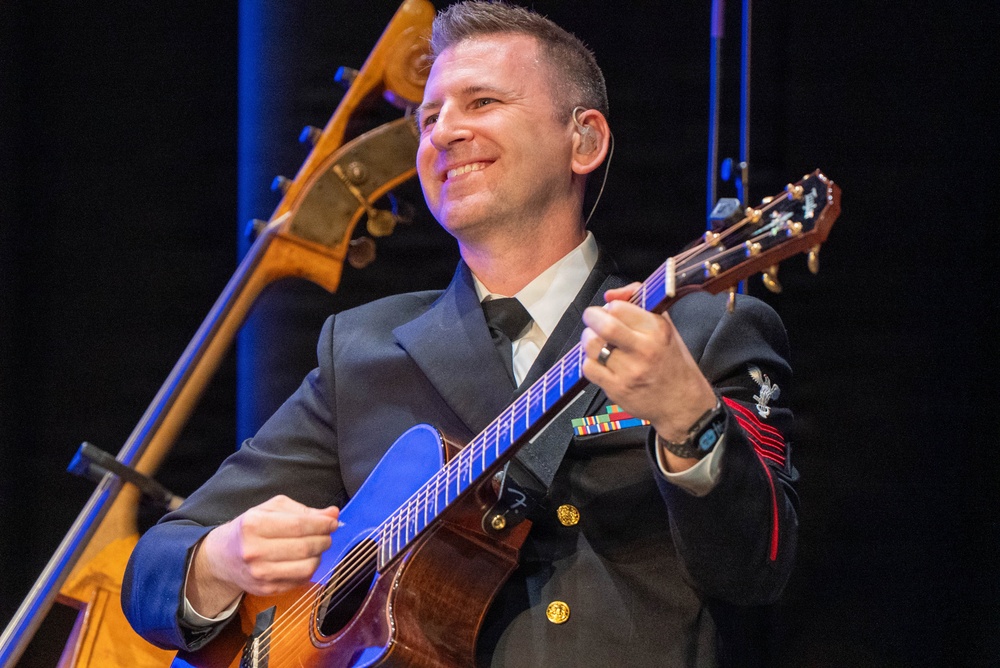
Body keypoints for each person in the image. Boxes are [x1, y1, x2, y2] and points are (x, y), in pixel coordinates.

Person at [122, 2, 798, 665]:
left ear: (584, 140)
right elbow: (154, 567)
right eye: (429, 116)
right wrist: (221, 559)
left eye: (481, 103)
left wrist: (691, 423)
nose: (444, 132)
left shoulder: (699, 336)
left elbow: (759, 569)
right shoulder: (362, 349)